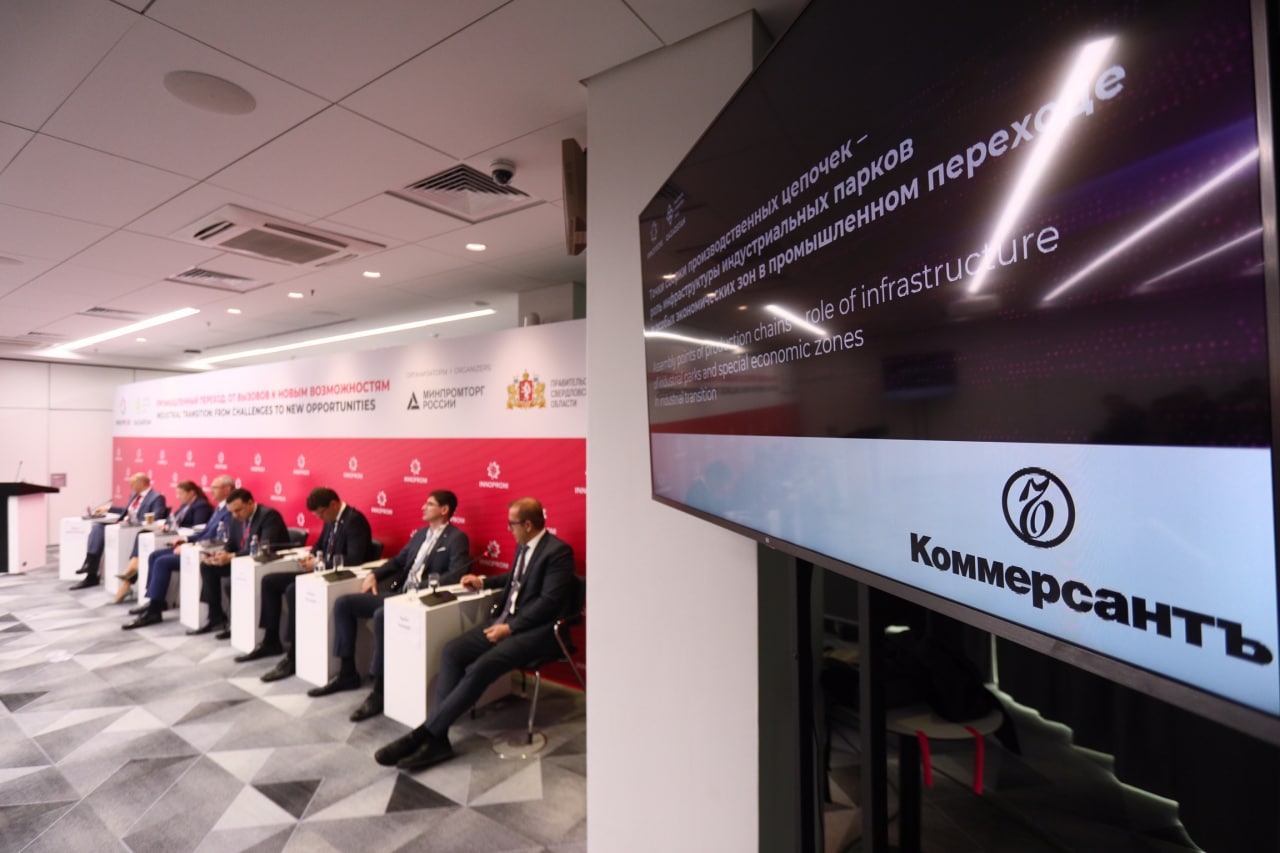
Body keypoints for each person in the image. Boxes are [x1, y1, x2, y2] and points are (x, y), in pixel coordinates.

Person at [374, 497, 573, 770]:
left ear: (528, 525)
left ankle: (424, 734)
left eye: (512, 524)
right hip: (504, 621)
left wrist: (510, 628)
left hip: (536, 632)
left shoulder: (558, 552)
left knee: (481, 667)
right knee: (452, 651)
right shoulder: (523, 546)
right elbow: (514, 581)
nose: (509, 529)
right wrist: (483, 582)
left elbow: (548, 603)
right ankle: (438, 739)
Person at [320, 490, 471, 718]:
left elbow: (456, 574)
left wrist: (422, 588)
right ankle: (347, 673)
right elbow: (397, 561)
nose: (423, 507)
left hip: (421, 599)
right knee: (344, 604)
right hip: (399, 594)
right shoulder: (420, 534)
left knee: (383, 614)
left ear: (444, 510)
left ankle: (379, 690)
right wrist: (374, 574)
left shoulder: (457, 538)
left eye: (429, 504)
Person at [240, 487, 374, 679]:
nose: (319, 518)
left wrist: (321, 562)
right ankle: (271, 640)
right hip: (320, 571)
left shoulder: (354, 521)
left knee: (294, 590)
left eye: (321, 513)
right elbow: (320, 545)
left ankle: (294, 653)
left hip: (339, 576)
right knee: (269, 581)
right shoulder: (331, 519)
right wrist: (310, 557)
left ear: (333, 505)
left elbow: (354, 558)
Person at [122, 475, 234, 630]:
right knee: (155, 555)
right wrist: (186, 539)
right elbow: (204, 532)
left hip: (204, 551)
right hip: (195, 546)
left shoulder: (229, 510)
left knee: (162, 562)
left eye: (215, 488)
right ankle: (154, 599)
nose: (211, 491)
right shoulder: (220, 508)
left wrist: (191, 545)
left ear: (227, 489)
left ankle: (154, 611)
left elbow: (218, 538)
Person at [187, 487, 289, 637]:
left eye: (238, 510)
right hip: (242, 562)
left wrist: (232, 556)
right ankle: (215, 617)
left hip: (264, 563)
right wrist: (221, 554)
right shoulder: (236, 518)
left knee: (231, 582)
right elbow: (232, 543)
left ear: (250, 503)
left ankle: (237, 623)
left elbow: (264, 548)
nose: (235, 515)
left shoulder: (269, 516)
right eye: (232, 512)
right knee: (207, 567)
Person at [112, 480, 213, 604]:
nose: (178, 497)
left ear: (191, 493)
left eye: (181, 493)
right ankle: (149, 593)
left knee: (161, 561)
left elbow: (197, 527)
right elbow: (173, 519)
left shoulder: (201, 506)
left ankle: (153, 599)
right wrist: (167, 525)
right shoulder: (185, 505)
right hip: (178, 536)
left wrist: (182, 536)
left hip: (188, 540)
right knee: (153, 554)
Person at [72, 472, 168, 590]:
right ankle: (90, 568)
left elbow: (156, 517)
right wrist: (109, 508)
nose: (130, 486)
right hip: (123, 524)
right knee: (98, 527)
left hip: (136, 527)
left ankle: (91, 571)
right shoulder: (134, 495)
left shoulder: (156, 497)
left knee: (105, 529)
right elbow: (126, 511)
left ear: (142, 483)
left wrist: (138, 521)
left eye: (132, 483)